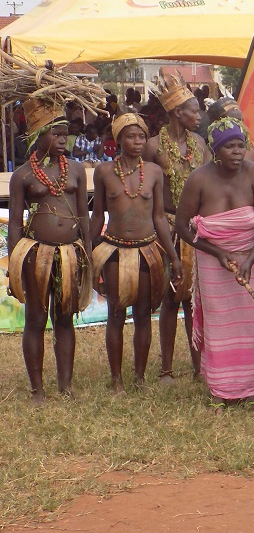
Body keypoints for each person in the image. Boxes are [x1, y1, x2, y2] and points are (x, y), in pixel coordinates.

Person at [175, 116, 254, 409]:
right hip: (213, 261)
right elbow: (182, 226)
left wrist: (250, 261)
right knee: (219, 324)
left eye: (240, 145)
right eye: (229, 146)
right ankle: (220, 390)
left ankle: (248, 389)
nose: (237, 152)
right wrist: (217, 253)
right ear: (215, 150)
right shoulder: (198, 179)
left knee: (251, 325)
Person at [7, 98, 92, 403]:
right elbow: (15, 224)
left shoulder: (77, 170)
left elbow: (83, 217)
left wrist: (88, 255)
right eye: (55, 134)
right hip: (36, 255)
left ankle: (65, 386)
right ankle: (37, 389)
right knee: (35, 318)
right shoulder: (23, 175)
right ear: (38, 135)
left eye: (65, 134)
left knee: (65, 317)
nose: (61, 140)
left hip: (70, 254)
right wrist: (14, 265)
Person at [90, 112, 182, 392]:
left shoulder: (153, 172)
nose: (138, 141)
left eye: (142, 136)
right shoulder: (104, 172)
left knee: (143, 315)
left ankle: (139, 378)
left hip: (147, 251)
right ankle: (116, 379)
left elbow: (159, 217)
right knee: (116, 314)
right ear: (118, 140)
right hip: (115, 251)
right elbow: (98, 215)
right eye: (131, 136)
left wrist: (174, 257)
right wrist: (88, 249)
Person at [144, 70, 210, 383]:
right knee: (171, 297)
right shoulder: (153, 146)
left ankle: (199, 367)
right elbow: (146, 191)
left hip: (196, 228)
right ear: (177, 112)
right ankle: (167, 369)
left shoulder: (200, 143)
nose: (199, 116)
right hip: (166, 227)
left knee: (195, 299)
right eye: (194, 111)